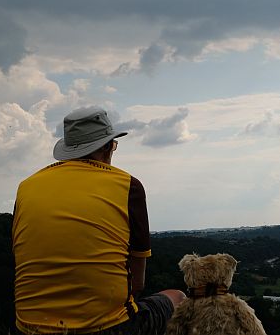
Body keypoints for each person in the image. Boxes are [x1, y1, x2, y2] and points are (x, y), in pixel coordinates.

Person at [12, 106, 185, 335]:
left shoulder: (26, 187)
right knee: (177, 297)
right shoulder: (128, 186)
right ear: (106, 147)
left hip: (28, 328)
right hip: (107, 327)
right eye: (113, 145)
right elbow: (137, 284)